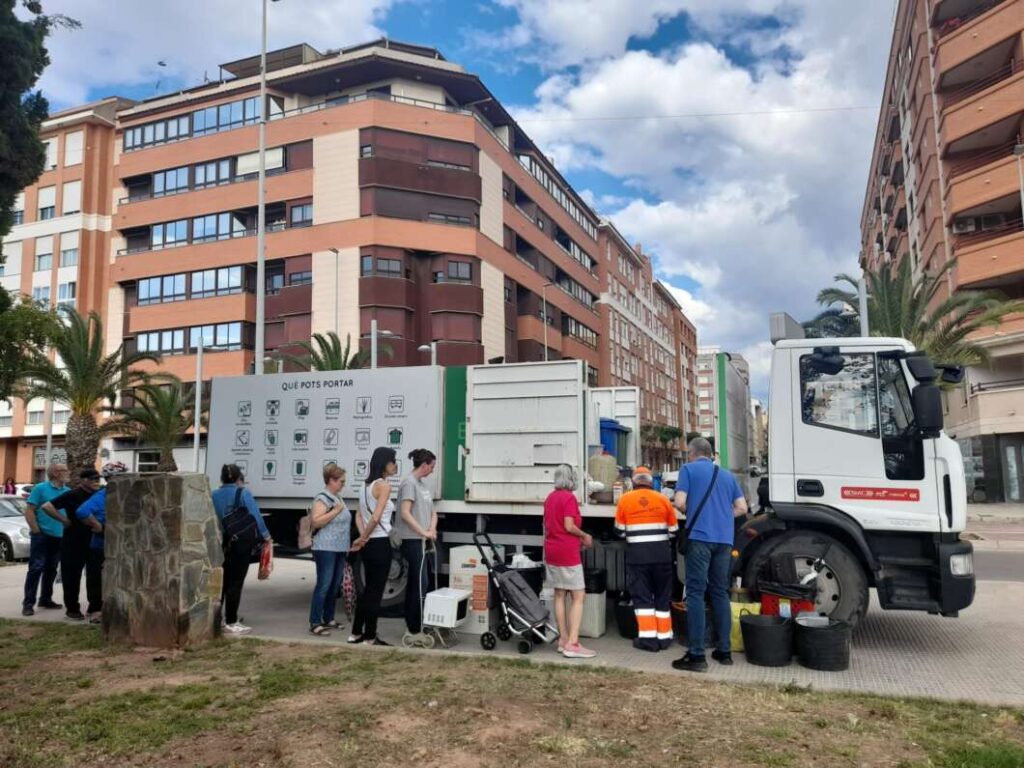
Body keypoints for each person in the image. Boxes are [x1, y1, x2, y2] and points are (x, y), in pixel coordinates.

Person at [671, 437, 748, 673]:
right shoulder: (727, 475)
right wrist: (723, 518)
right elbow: (742, 508)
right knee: (719, 592)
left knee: (695, 592)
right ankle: (723, 652)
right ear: (711, 454)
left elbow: (680, 502)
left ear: (693, 454)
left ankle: (696, 655)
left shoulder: (687, 470)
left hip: (700, 539)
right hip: (724, 540)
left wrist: (691, 511)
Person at [615, 466, 679, 652]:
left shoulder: (625, 500)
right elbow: (673, 531)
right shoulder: (663, 499)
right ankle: (664, 638)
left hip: (638, 558)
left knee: (642, 599)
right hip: (662, 557)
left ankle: (648, 640)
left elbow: (619, 531)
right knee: (662, 596)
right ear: (651, 482)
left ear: (634, 481)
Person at [543, 464, 596, 659]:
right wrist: (585, 536)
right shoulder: (569, 498)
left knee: (559, 594)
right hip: (567, 552)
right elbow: (568, 525)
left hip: (551, 550)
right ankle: (573, 643)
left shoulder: (550, 498)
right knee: (578, 596)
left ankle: (563, 639)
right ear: (571, 479)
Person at [211, 464, 272, 635]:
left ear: (222, 478)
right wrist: (266, 536)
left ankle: (217, 619)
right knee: (235, 582)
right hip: (239, 544)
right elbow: (255, 516)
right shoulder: (243, 493)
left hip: (219, 544)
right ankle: (231, 621)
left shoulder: (213, 494)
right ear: (239, 478)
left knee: (221, 582)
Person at [349, 447, 397, 646]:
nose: (395, 465)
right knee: (376, 592)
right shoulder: (384, 485)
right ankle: (370, 636)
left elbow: (360, 515)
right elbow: (376, 517)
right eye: (393, 461)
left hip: (368, 544)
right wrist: (365, 537)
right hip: (380, 543)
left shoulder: (364, 485)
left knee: (367, 590)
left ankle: (355, 633)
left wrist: (362, 538)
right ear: (384, 463)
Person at [41, 468, 102, 620]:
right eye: (92, 479)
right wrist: (64, 520)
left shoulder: (99, 494)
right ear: (83, 480)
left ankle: (95, 607)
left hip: (94, 540)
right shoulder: (73, 494)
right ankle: (72, 609)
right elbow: (47, 506)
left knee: (95, 575)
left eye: (97, 479)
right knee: (71, 576)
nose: (96, 482)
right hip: (73, 541)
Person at [75, 462, 127, 623]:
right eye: (121, 475)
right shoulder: (102, 495)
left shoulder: (126, 493)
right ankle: (95, 609)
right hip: (100, 544)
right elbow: (82, 511)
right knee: (96, 576)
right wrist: (96, 525)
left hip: (120, 543)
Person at [395, 448, 438, 647]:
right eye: (432, 466)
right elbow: (404, 513)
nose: (432, 470)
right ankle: (413, 627)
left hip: (423, 539)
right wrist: (423, 531)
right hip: (412, 540)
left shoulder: (423, 485)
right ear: (424, 465)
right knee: (416, 583)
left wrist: (432, 528)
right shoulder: (409, 484)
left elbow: (432, 512)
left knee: (424, 581)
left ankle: (421, 623)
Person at [308, 463, 352, 636]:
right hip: (325, 547)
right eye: (341, 481)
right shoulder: (322, 498)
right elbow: (316, 521)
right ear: (331, 480)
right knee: (324, 584)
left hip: (339, 548)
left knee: (334, 586)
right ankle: (315, 621)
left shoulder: (338, 498)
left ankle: (329, 618)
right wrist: (336, 511)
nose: (343, 484)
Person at [22, 464, 70, 616]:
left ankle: (45, 599)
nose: (68, 473)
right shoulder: (40, 488)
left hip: (59, 536)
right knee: (36, 568)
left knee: (51, 568)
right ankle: (28, 604)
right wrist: (36, 531)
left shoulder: (67, 491)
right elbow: (29, 510)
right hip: (42, 535)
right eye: (65, 470)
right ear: (56, 473)